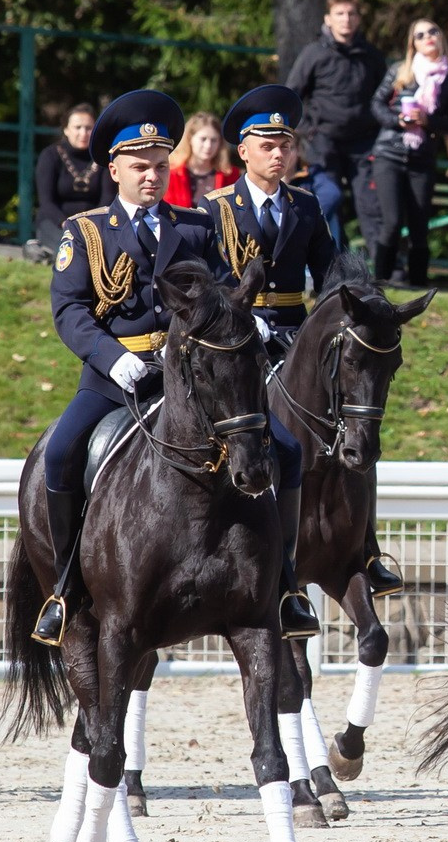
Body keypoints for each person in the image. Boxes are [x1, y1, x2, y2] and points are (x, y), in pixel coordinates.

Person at [32, 91, 236, 644]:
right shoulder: (86, 231)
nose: (151, 176)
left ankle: (275, 584)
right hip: (112, 380)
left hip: (185, 378)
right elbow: (69, 309)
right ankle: (66, 584)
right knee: (61, 452)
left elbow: (219, 296)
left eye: (159, 166)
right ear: (114, 168)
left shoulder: (193, 229)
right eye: (140, 167)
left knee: (255, 445)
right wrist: (113, 358)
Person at [203, 85, 353, 626]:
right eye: (267, 143)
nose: (278, 152)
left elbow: (330, 273)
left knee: (349, 425)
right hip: (238, 340)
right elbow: (208, 281)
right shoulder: (216, 208)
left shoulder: (307, 206)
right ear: (243, 150)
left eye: (285, 143)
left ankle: (367, 549)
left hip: (292, 336)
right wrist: (246, 319)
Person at [363, 18, 448, 285]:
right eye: (420, 35)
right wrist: (397, 120)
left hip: (423, 157)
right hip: (389, 152)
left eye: (433, 31)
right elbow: (376, 104)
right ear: (413, 44)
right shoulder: (401, 72)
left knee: (420, 225)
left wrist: (428, 121)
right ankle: (379, 283)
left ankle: (418, 284)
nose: (427, 37)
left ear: (441, 37)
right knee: (393, 221)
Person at [283, 0, 388, 246]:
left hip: (363, 143)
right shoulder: (314, 53)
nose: (346, 19)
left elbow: (386, 96)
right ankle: (332, 267)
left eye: (351, 13)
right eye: (339, 13)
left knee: (371, 205)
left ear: (359, 18)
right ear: (328, 19)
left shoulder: (371, 56)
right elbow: (291, 95)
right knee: (329, 201)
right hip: (323, 141)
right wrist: (308, 129)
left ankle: (386, 272)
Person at [34, 102, 103, 246]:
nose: (83, 133)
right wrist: (66, 224)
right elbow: (46, 202)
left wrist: (90, 226)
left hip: (94, 224)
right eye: (78, 127)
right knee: (68, 248)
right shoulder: (51, 155)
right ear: (66, 129)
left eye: (89, 128)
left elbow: (107, 199)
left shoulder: (102, 158)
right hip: (56, 221)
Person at [162, 112, 237, 211]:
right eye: (203, 139)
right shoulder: (171, 174)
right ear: (190, 139)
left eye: (214, 140)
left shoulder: (231, 175)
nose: (208, 146)